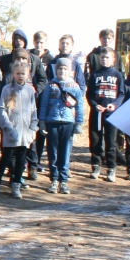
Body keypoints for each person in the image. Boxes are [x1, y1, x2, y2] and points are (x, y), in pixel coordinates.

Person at [0, 60, 37, 199]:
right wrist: (8, 127)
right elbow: (2, 110)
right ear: (13, 74)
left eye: (23, 73)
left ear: (27, 74)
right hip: (11, 132)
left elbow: (33, 110)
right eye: (18, 73)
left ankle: (16, 185)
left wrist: (33, 127)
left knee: (21, 160)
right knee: (6, 158)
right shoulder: (7, 89)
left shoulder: (30, 90)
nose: (20, 76)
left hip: (25, 133)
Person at [38, 59, 84, 194]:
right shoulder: (50, 85)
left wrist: (79, 122)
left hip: (68, 123)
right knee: (53, 153)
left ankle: (63, 181)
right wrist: (42, 121)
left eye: (65, 69)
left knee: (65, 153)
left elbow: (79, 106)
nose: (62, 71)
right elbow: (44, 104)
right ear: (56, 70)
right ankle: (53, 179)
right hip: (52, 122)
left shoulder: (75, 87)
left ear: (69, 71)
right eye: (59, 69)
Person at [86, 47, 125, 181]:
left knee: (111, 141)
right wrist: (94, 105)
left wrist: (114, 105)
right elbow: (89, 94)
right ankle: (96, 165)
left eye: (107, 57)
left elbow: (121, 94)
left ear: (113, 59)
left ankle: (111, 168)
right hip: (97, 113)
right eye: (102, 57)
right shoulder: (95, 75)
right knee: (95, 140)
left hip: (111, 113)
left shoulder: (117, 75)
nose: (104, 59)